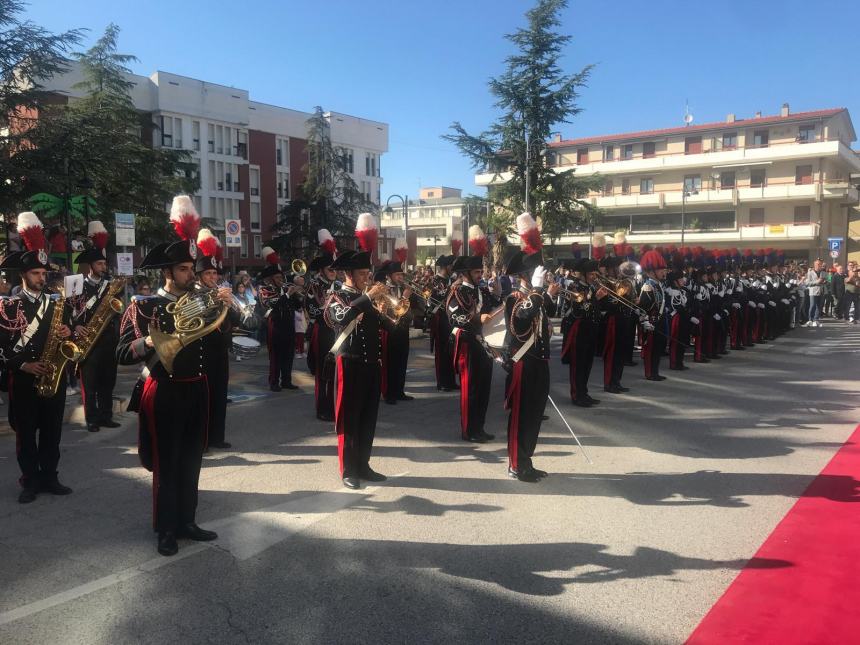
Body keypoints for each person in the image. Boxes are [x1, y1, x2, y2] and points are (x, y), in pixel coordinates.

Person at [117, 195, 228, 556]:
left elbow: (232, 331)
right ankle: (166, 528)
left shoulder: (200, 300)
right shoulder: (144, 306)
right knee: (167, 462)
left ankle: (187, 521)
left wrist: (226, 305)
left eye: (192, 269)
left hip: (197, 388)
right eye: (183, 270)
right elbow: (122, 353)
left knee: (193, 458)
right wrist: (150, 339)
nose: (191, 276)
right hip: (164, 390)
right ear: (167, 272)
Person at [0, 213, 77, 504]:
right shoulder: (9, 306)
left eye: (44, 274)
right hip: (24, 377)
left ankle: (50, 476)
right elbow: (1, 348)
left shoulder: (57, 303)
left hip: (53, 374)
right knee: (26, 433)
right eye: (36, 274)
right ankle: (29, 480)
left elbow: (68, 336)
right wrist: (23, 364)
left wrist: (68, 332)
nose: (42, 278)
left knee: (52, 430)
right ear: (24, 275)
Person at [323, 250, 393, 489]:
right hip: (349, 364)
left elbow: (389, 327)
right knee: (349, 419)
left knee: (368, 418)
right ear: (349, 274)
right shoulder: (336, 296)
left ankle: (364, 465)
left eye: (367, 273)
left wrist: (398, 311)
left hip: (372, 364)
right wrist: (368, 298)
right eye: (362, 274)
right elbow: (341, 318)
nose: (367, 277)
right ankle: (348, 469)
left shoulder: (368, 298)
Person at [503, 250, 558, 483]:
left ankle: (526, 461)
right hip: (523, 364)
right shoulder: (514, 297)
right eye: (538, 271)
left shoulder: (536, 296)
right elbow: (523, 318)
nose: (543, 274)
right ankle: (516, 464)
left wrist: (547, 294)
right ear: (527, 274)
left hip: (539, 363)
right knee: (521, 416)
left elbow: (550, 313)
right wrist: (537, 290)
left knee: (534, 416)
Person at [195, 229, 244, 450]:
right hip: (201, 352)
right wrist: (214, 301)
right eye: (208, 274)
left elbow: (236, 319)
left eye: (215, 274)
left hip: (220, 351)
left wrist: (230, 304)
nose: (213, 278)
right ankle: (202, 438)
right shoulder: (193, 295)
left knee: (219, 394)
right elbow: (199, 319)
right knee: (202, 398)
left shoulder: (220, 293)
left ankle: (217, 436)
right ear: (199, 276)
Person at [72, 221, 122, 433]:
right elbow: (69, 312)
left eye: (104, 264)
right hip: (88, 339)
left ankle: (105, 415)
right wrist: (75, 327)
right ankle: (91, 418)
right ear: (91, 266)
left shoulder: (111, 286)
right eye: (100, 264)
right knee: (90, 384)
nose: (104, 267)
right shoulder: (76, 285)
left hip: (109, 339)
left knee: (107, 381)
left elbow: (118, 308)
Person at [448, 254, 500, 442]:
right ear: (466, 273)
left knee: (484, 388)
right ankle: (469, 430)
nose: (480, 275)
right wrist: (478, 319)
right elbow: (454, 318)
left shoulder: (482, 290)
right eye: (477, 272)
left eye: (481, 271)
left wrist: (497, 293)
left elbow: (495, 307)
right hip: (468, 344)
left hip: (484, 343)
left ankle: (480, 427)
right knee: (471, 389)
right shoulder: (457, 292)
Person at [259, 246, 302, 391]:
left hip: (289, 325)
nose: (281, 280)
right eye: (277, 278)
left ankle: (286, 380)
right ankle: (274, 382)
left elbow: (298, 306)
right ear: (271, 279)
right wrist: (288, 294)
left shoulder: (286, 289)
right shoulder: (265, 290)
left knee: (289, 354)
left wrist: (297, 294)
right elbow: (273, 304)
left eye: (281, 277)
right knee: (276, 356)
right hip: (275, 326)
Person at [561, 259, 603, 406]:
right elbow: (578, 310)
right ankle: (576, 395)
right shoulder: (575, 286)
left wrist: (597, 299)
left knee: (587, 363)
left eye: (594, 273)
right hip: (579, 330)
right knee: (578, 364)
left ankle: (584, 392)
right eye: (592, 273)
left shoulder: (590, 287)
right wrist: (593, 300)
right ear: (584, 274)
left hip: (590, 328)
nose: (594, 276)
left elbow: (592, 308)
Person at [305, 252, 339, 421]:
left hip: (337, 332)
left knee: (335, 372)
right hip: (323, 331)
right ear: (322, 270)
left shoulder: (338, 285)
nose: (333, 272)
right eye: (330, 269)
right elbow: (311, 310)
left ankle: (334, 406)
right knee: (322, 372)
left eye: (334, 269)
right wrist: (329, 308)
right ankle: (322, 409)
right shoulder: (314, 286)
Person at [380, 260, 417, 405]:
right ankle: (389, 393)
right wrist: (405, 297)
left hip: (403, 329)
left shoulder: (404, 288)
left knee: (402, 361)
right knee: (390, 363)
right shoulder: (383, 290)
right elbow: (392, 311)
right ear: (389, 276)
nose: (401, 277)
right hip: (389, 329)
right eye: (397, 275)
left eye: (401, 274)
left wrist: (413, 297)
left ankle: (399, 391)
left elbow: (413, 308)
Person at [428, 255, 458, 392]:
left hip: (450, 318)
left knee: (451, 351)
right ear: (446, 267)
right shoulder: (434, 280)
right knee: (441, 352)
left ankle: (451, 381)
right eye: (451, 266)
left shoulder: (450, 279)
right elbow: (434, 300)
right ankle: (442, 382)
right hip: (439, 318)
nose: (453, 269)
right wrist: (452, 288)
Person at [638, 250, 668, 381]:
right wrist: (645, 322)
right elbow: (642, 308)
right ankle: (650, 372)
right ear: (651, 272)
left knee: (658, 348)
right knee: (651, 349)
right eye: (661, 270)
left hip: (659, 321)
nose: (664, 272)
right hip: (651, 322)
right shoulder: (647, 287)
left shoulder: (658, 285)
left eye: (664, 269)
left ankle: (655, 371)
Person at [805, 259, 826, 327]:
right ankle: (810, 319)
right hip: (813, 291)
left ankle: (816, 320)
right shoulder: (810, 272)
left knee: (819, 306)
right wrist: (817, 282)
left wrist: (825, 282)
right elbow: (807, 283)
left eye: (820, 264)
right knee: (812, 305)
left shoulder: (823, 272)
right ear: (814, 265)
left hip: (821, 291)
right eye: (818, 264)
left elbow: (827, 280)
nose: (819, 265)